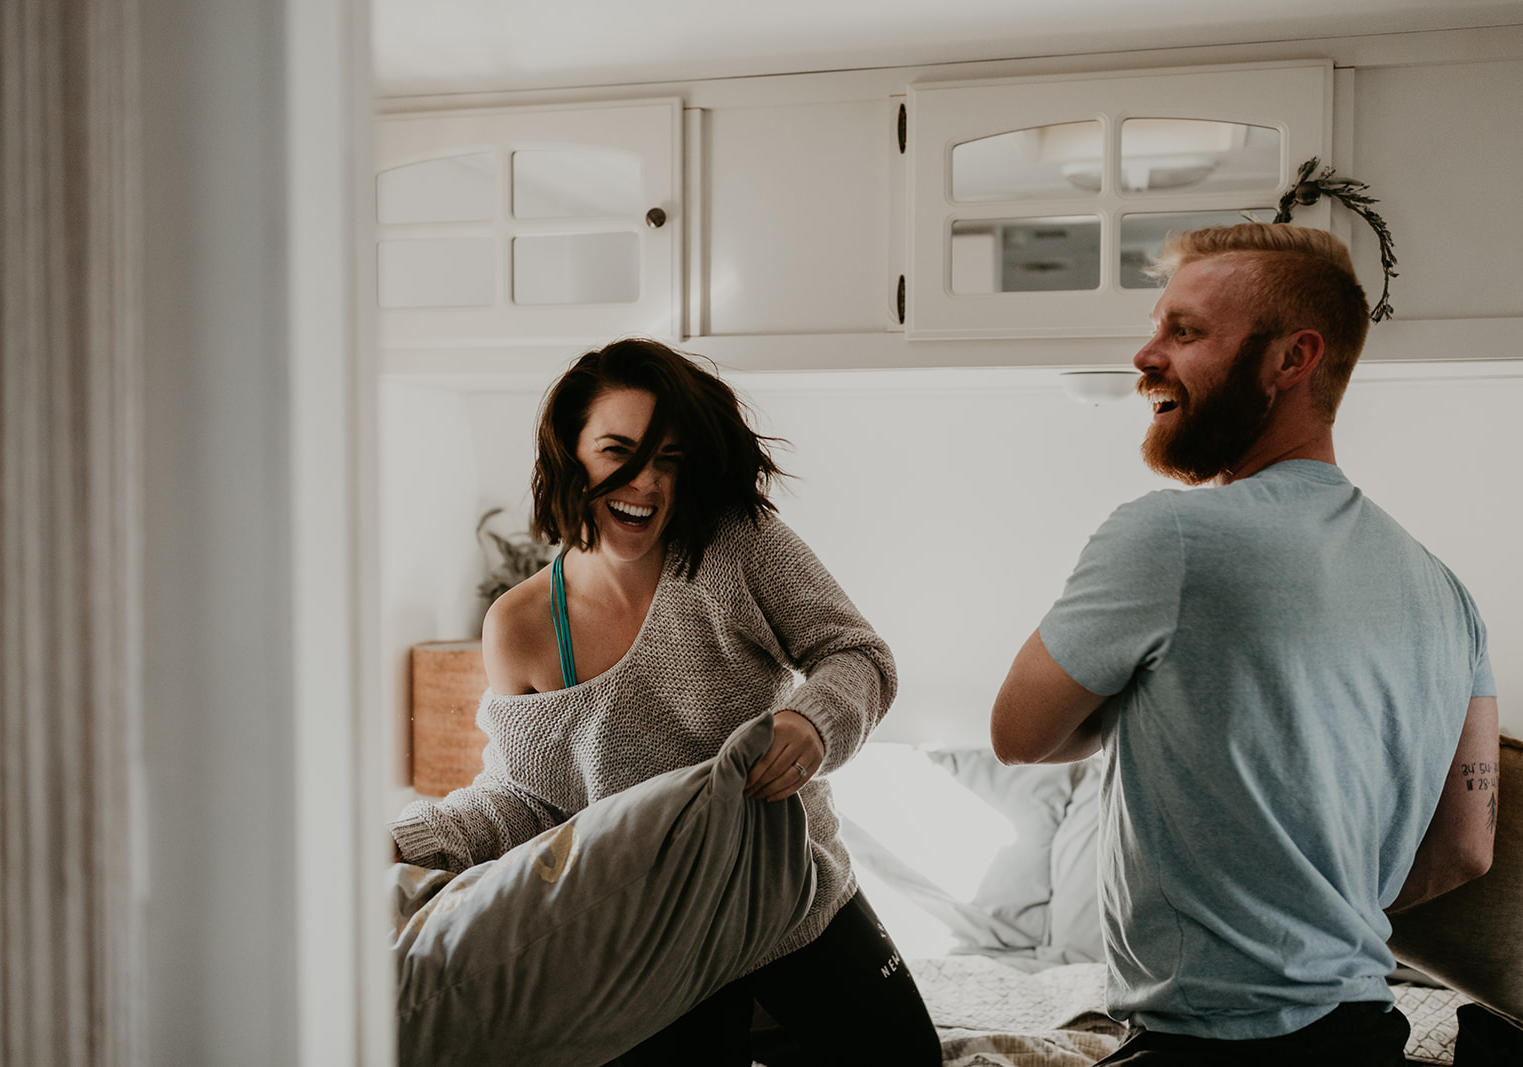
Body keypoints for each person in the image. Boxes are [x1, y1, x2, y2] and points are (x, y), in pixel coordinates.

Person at [990, 223, 1499, 1065]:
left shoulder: (1169, 537)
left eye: (1184, 331)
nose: (1145, 354)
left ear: (1292, 359)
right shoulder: (1446, 590)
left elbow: (1019, 733)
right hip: (1365, 1032)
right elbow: (1463, 849)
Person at [389, 337, 941, 1066]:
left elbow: (859, 656)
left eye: (669, 460)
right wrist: (404, 842)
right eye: (619, 450)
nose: (645, 482)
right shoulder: (519, 625)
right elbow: (526, 801)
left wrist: (814, 720)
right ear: (570, 452)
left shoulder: (737, 546)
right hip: (653, 936)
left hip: (788, 897)